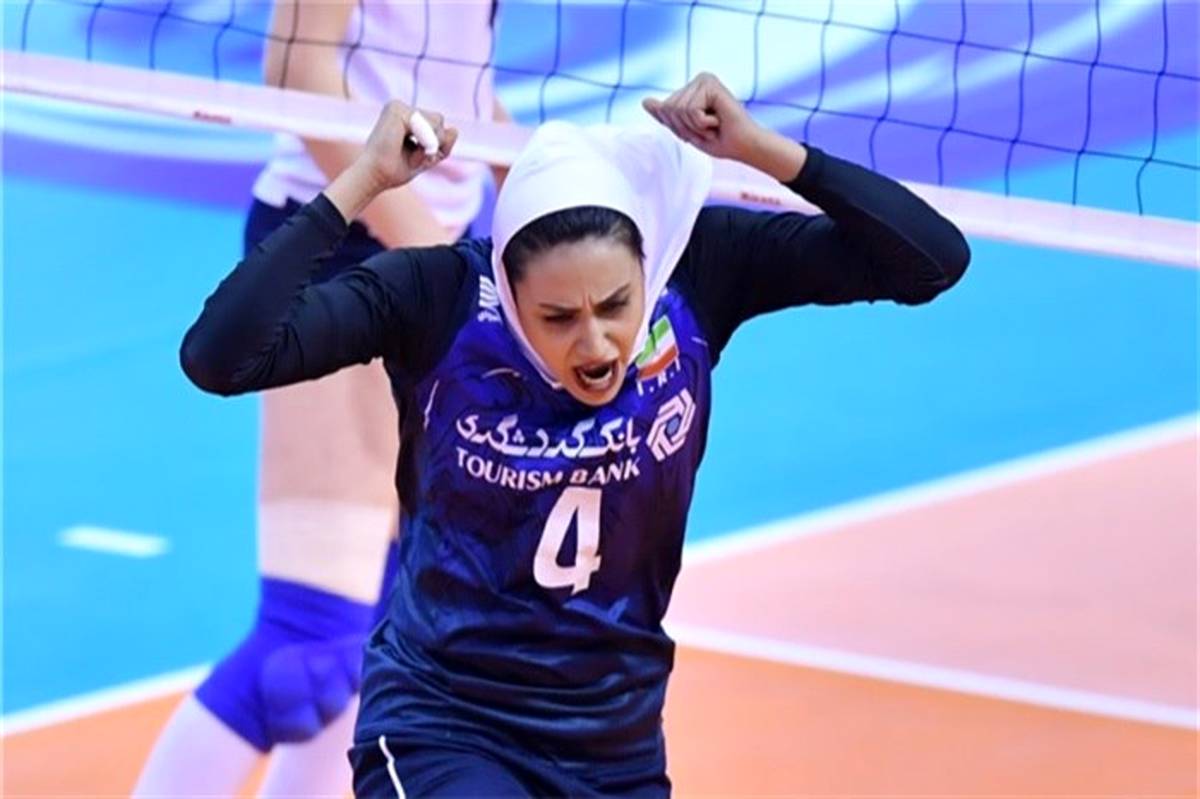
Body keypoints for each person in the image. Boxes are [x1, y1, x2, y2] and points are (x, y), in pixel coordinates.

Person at [178, 71, 970, 797]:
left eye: (616, 305)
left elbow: (931, 260)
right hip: (445, 726)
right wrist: (363, 181)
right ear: (508, 289)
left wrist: (761, 149)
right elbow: (220, 356)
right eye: (557, 317)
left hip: (614, 747)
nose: (595, 343)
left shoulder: (697, 275)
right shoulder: (439, 297)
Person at [133, 1, 500, 796]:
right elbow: (298, 68)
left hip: (440, 251)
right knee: (305, 650)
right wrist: (437, 253)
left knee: (383, 636)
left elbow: (458, 74)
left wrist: (552, 192)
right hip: (347, 249)